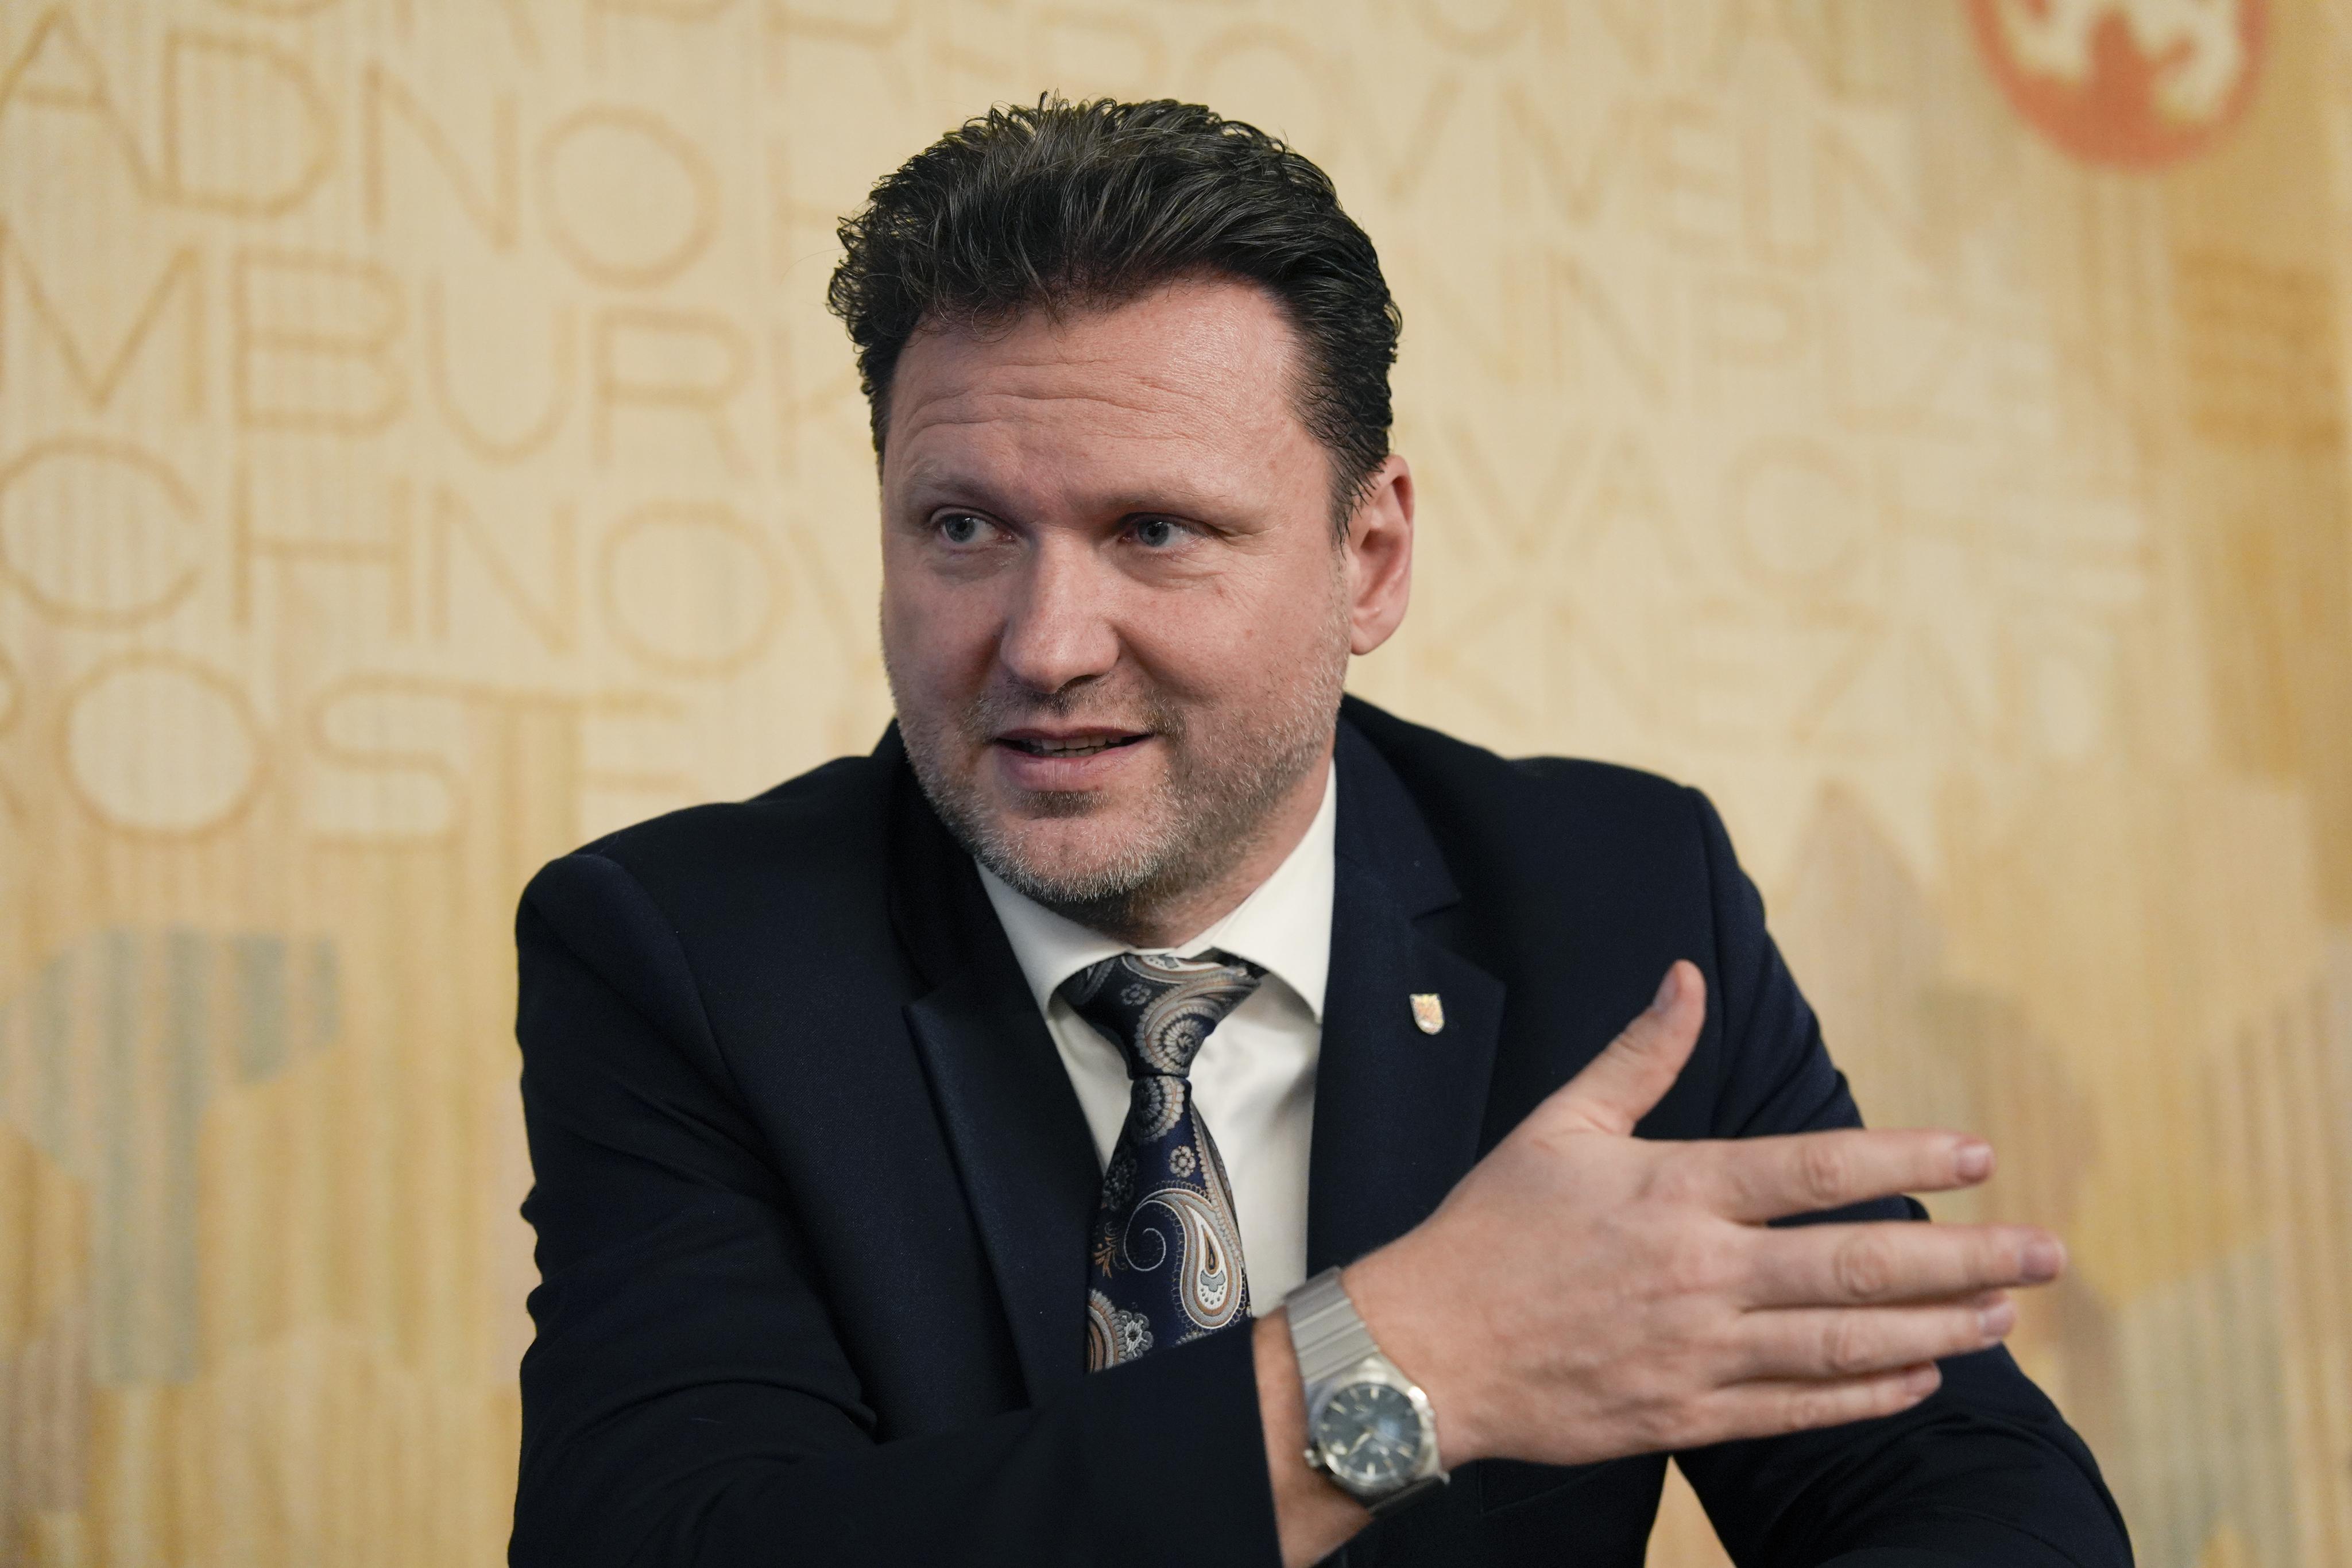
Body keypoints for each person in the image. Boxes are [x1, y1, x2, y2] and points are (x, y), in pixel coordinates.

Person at [509, 97, 2130, 1567]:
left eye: (1156, 530)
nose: (1046, 643)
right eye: (962, 527)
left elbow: (1974, 1498)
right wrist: (1405, 1354)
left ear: (1371, 559)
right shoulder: (686, 953)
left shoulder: (1620, 901)